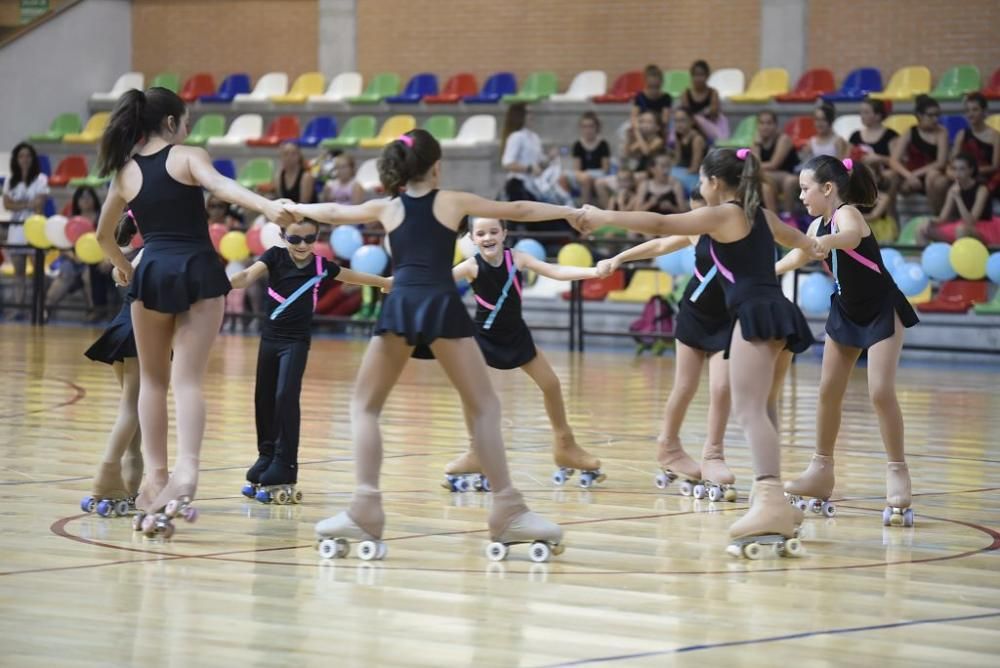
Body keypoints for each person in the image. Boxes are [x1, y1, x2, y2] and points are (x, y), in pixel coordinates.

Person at [287, 129, 569, 561]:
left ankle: (365, 507)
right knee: (485, 407)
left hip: (401, 305)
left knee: (365, 407)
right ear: (437, 167)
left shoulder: (388, 206)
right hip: (439, 304)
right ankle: (508, 509)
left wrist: (287, 207)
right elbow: (520, 208)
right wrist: (573, 212)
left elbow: (333, 211)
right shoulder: (451, 201)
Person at [579, 148, 824, 557]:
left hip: (752, 314)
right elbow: (806, 245)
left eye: (702, 180)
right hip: (778, 312)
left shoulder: (724, 214)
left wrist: (604, 216)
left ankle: (770, 502)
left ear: (713, 182)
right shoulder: (761, 215)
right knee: (764, 407)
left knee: (749, 411)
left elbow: (659, 222)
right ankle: (775, 500)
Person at [94, 86, 290, 538]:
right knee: (186, 380)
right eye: (185, 121)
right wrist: (267, 206)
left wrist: (125, 269)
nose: (188, 128)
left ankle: (155, 477)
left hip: (152, 272)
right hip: (197, 268)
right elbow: (222, 186)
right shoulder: (186, 155)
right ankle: (187, 471)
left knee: (153, 381)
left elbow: (105, 236)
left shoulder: (124, 172)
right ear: (170, 124)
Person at [776, 156, 918, 527]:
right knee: (827, 390)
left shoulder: (847, 214)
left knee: (880, 392)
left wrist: (826, 241)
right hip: (846, 310)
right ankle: (820, 469)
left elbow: (851, 238)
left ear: (827, 188)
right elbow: (798, 251)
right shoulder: (816, 223)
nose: (801, 194)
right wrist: (770, 270)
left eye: (806, 188)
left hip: (881, 309)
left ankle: (898, 470)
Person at [230, 219, 391, 504]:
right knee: (263, 398)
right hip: (269, 340)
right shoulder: (274, 257)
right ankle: (266, 454)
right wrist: (213, 283)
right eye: (295, 239)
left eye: (309, 238)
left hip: (295, 342)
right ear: (282, 236)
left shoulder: (320, 266)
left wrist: (382, 282)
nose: (302, 245)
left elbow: (351, 276)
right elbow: (245, 277)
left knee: (285, 397)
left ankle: (285, 463)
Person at [595, 188, 737, 501]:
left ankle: (714, 455)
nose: (694, 217)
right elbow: (659, 243)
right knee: (684, 386)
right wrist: (619, 257)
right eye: (691, 211)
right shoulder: (694, 231)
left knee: (722, 387)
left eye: (698, 210)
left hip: (726, 319)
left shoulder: (739, 228)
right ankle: (668, 446)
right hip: (694, 315)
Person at [444, 217, 604, 491]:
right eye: (480, 233)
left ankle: (565, 446)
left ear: (504, 233)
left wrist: (592, 273)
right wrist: (396, 284)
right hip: (483, 339)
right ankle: (475, 452)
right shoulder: (471, 266)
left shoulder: (516, 259)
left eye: (494, 231)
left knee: (551, 385)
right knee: (471, 394)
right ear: (472, 238)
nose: (487, 237)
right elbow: (435, 282)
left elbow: (554, 271)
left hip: (516, 335)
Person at [79, 214, 146, 518]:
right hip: (140, 332)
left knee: (136, 414)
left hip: (120, 326)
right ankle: (106, 475)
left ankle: (129, 488)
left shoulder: (129, 256)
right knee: (132, 408)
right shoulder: (154, 253)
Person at [2, 142, 49, 317]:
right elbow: (7, 205)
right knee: (18, 272)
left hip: (34, 230)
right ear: (16, 159)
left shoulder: (41, 179)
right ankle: (18, 307)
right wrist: (27, 204)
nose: (25, 159)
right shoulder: (10, 180)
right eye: (21, 156)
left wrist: (18, 205)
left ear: (32, 158)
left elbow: (39, 204)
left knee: (38, 272)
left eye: (28, 156)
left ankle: (40, 307)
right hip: (16, 231)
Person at [889, 94, 950, 214]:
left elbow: (941, 162)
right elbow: (893, 161)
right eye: (930, 115)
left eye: (937, 115)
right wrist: (908, 175)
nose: (935, 119)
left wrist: (915, 174)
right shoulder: (910, 131)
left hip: (930, 173)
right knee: (891, 177)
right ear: (920, 116)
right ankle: (891, 220)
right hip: (911, 175)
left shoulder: (941, 132)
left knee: (935, 178)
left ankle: (937, 216)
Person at [920, 153, 998, 245]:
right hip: (961, 226)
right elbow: (942, 218)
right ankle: (925, 258)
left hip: (982, 228)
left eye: (962, 169)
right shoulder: (953, 188)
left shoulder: (982, 190)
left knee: (961, 230)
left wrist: (958, 198)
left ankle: (962, 258)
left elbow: (971, 221)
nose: (957, 173)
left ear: (971, 170)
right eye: (955, 169)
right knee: (921, 229)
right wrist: (930, 221)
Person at [949, 92, 1000, 200]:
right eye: (967, 110)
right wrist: (958, 173)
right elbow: (953, 162)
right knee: (940, 182)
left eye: (975, 109)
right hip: (964, 175)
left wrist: (971, 172)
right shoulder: (961, 135)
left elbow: (995, 166)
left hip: (987, 177)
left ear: (984, 112)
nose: (970, 114)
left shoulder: (995, 136)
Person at [753, 110, 800, 215]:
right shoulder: (757, 141)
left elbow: (774, 164)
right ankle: (773, 220)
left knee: (789, 181)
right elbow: (754, 163)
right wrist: (757, 145)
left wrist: (757, 167)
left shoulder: (784, 139)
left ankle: (789, 215)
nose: (765, 127)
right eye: (762, 123)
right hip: (770, 179)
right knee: (765, 186)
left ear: (776, 125)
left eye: (769, 123)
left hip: (790, 176)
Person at [559, 112, 611, 206]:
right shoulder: (578, 145)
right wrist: (582, 175)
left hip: (598, 174)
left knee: (586, 178)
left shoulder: (603, 144)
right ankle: (567, 205)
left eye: (591, 126)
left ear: (597, 127)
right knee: (563, 177)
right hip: (582, 175)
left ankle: (585, 208)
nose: (588, 130)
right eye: (585, 127)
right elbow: (576, 169)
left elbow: (605, 169)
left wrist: (588, 175)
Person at [679, 60, 728, 141]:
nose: (698, 78)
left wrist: (699, 119)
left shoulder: (713, 93)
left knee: (698, 119)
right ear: (692, 76)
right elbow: (686, 115)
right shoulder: (685, 93)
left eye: (701, 75)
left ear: (707, 76)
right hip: (690, 129)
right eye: (695, 75)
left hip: (709, 129)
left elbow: (714, 113)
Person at [669, 107, 706, 194]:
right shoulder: (679, 135)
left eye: (682, 120)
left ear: (691, 121)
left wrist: (675, 175)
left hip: (695, 176)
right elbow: (677, 159)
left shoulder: (697, 139)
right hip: (683, 171)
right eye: (676, 121)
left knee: (670, 178)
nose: (679, 124)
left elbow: (695, 167)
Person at [631, 64, 673, 132]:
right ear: (645, 83)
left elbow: (665, 120)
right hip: (642, 127)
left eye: (657, 87)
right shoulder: (640, 97)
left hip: (658, 127)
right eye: (650, 87)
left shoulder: (666, 97)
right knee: (629, 131)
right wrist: (639, 134)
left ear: (661, 84)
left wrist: (652, 124)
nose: (654, 91)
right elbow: (634, 118)